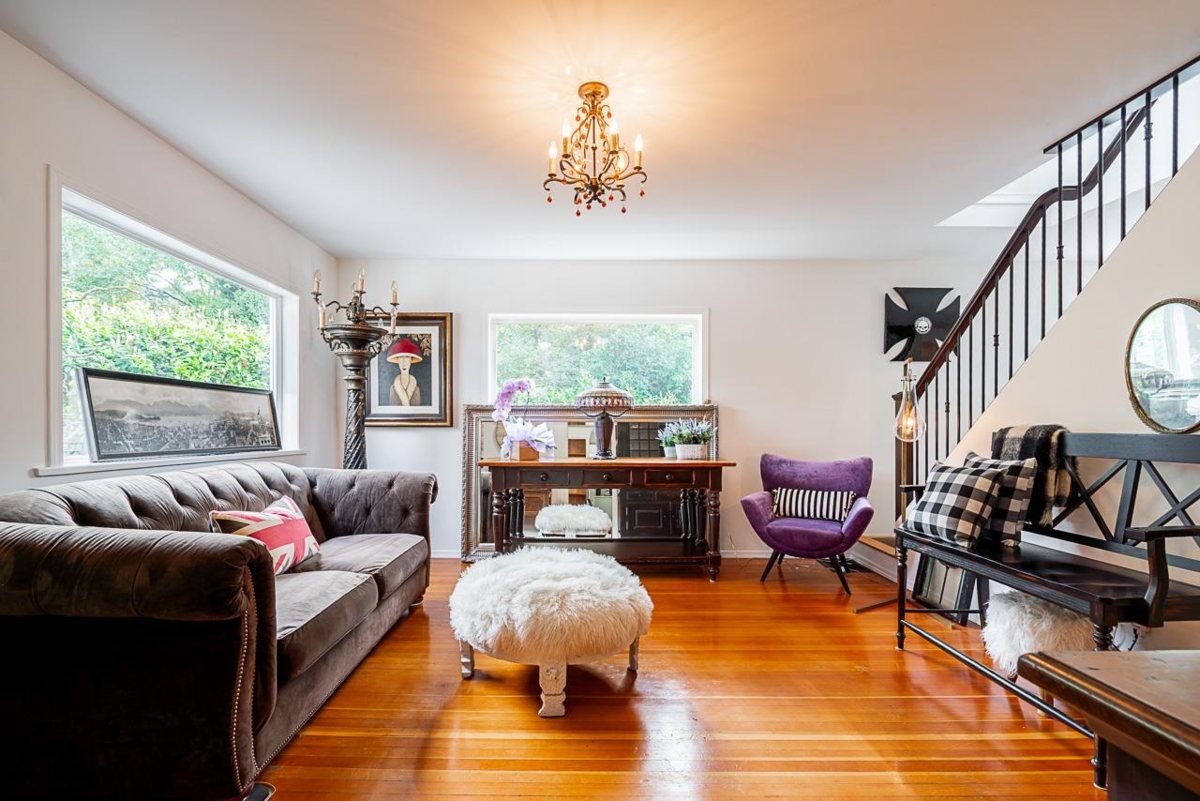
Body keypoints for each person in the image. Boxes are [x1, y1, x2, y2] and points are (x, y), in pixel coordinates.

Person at [386, 338, 423, 406]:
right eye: (400, 357)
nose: (404, 362)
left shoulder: (416, 389)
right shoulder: (393, 389)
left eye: (407, 357)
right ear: (397, 360)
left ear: (411, 360)